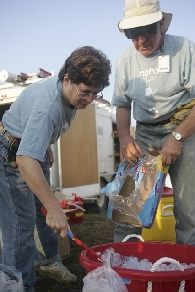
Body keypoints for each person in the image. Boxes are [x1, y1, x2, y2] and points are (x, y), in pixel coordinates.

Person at [0, 46, 111, 291]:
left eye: (95, 93)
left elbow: (36, 134)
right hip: (13, 153)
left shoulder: (67, 96)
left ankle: (49, 261)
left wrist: (45, 143)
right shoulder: (48, 109)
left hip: (29, 147)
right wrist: (55, 208)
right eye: (85, 92)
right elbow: (25, 159)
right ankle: (15, 283)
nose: (90, 100)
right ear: (67, 79)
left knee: (43, 211)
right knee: (20, 226)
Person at [112, 0, 195, 244]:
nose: (141, 41)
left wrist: (177, 137)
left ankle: (187, 275)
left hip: (184, 128)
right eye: (133, 35)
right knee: (128, 208)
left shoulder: (185, 48)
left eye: (147, 31)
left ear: (161, 25)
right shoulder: (125, 61)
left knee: (188, 210)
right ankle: (123, 271)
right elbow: (122, 104)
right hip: (145, 133)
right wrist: (125, 138)